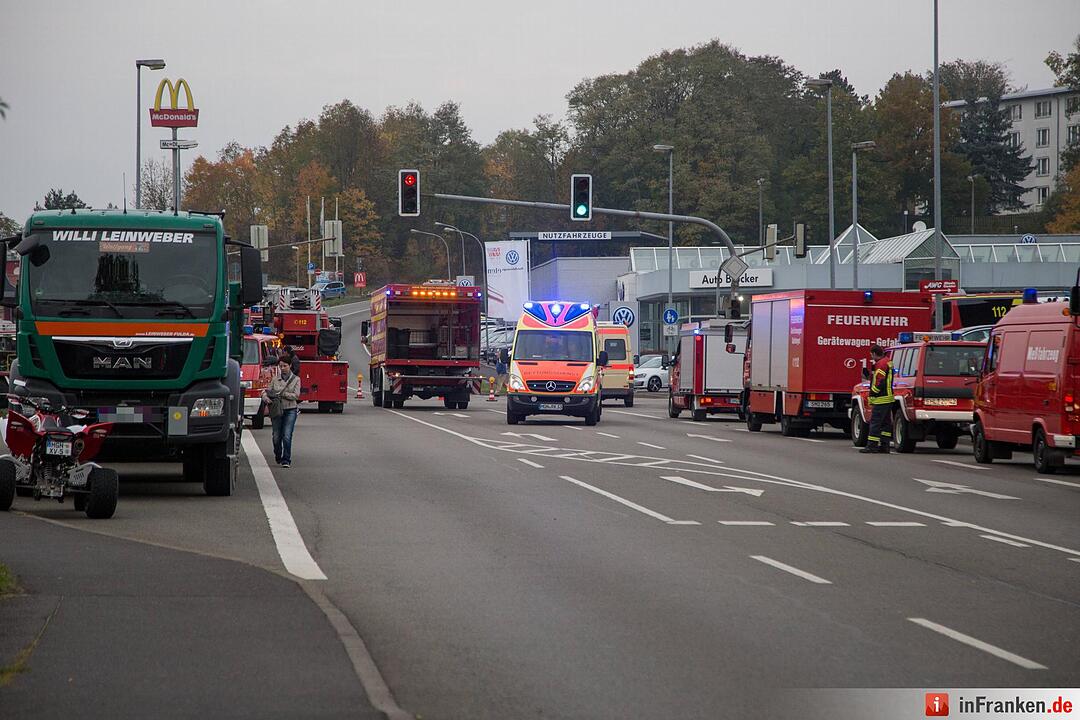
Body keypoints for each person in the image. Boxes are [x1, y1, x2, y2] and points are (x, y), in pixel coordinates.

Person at [263, 356, 301, 468]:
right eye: (281, 366)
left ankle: (286, 460)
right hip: (277, 410)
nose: (283, 368)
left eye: (285, 366)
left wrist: (282, 394)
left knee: (287, 435)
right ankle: (278, 454)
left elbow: (296, 395)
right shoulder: (275, 379)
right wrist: (266, 398)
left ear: (290, 366)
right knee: (276, 436)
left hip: (290, 410)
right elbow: (266, 392)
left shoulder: (296, 379)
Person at [861, 344, 894, 454]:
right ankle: (885, 446)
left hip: (881, 398)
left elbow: (879, 381)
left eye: (871, 355)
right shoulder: (888, 362)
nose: (871, 357)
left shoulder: (881, 364)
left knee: (875, 423)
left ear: (875, 353)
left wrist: (872, 393)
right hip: (888, 397)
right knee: (885, 424)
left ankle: (872, 446)